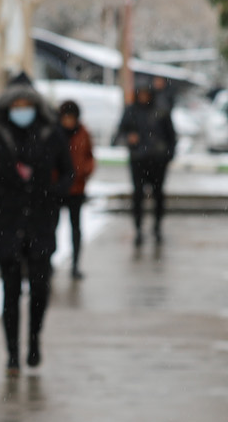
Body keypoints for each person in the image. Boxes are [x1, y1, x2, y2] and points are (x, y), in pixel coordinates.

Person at [0, 86, 73, 373]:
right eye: (16, 105)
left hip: (40, 223)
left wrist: (55, 194)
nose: (22, 110)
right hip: (6, 222)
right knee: (10, 291)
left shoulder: (51, 135)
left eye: (27, 104)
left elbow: (68, 170)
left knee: (40, 288)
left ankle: (34, 339)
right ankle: (13, 353)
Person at [113, 85, 178, 246]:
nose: (143, 97)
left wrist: (168, 155)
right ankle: (138, 229)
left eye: (146, 94)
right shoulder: (131, 111)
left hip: (158, 161)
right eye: (140, 94)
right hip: (138, 160)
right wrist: (129, 138)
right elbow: (119, 134)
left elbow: (171, 136)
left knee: (158, 195)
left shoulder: (161, 111)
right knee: (138, 195)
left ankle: (157, 227)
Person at [56, 100, 97, 279]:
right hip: (57, 188)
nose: (69, 122)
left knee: (75, 227)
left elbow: (89, 156)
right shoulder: (55, 133)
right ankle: (49, 260)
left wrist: (84, 172)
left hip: (77, 188)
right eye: (66, 118)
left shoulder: (83, 133)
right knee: (52, 226)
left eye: (71, 118)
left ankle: (75, 264)